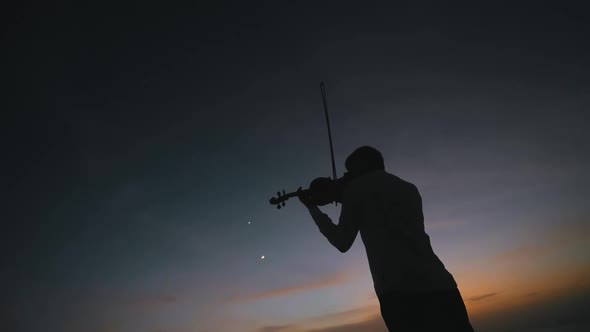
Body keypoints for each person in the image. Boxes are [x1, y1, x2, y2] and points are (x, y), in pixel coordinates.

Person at [297, 146, 474, 331]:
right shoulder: (409, 188)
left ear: (363, 165)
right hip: (441, 285)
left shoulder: (355, 190)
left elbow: (342, 242)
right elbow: (380, 208)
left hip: (398, 293)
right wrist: (342, 196)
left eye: (350, 170)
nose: (346, 176)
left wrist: (313, 208)